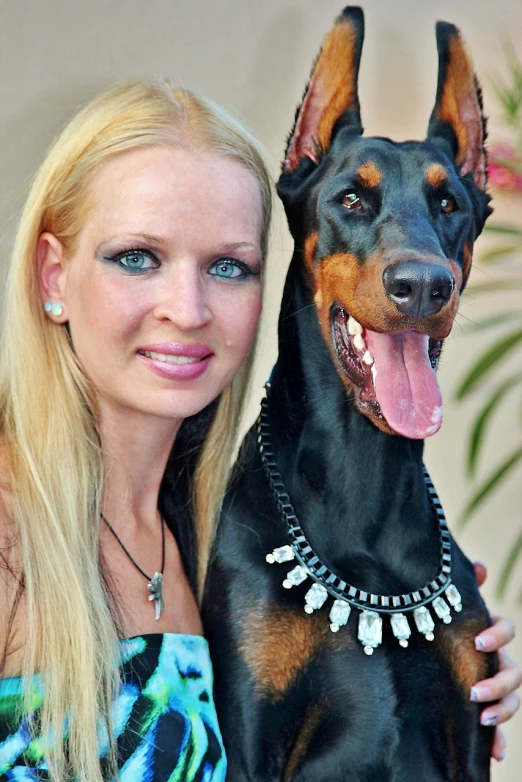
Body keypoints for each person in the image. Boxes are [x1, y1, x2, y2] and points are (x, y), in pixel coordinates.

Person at [0, 79, 518, 781]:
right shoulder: (11, 540)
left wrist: (413, 685)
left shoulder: (218, 536)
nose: (186, 309)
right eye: (136, 258)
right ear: (53, 276)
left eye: (228, 267)